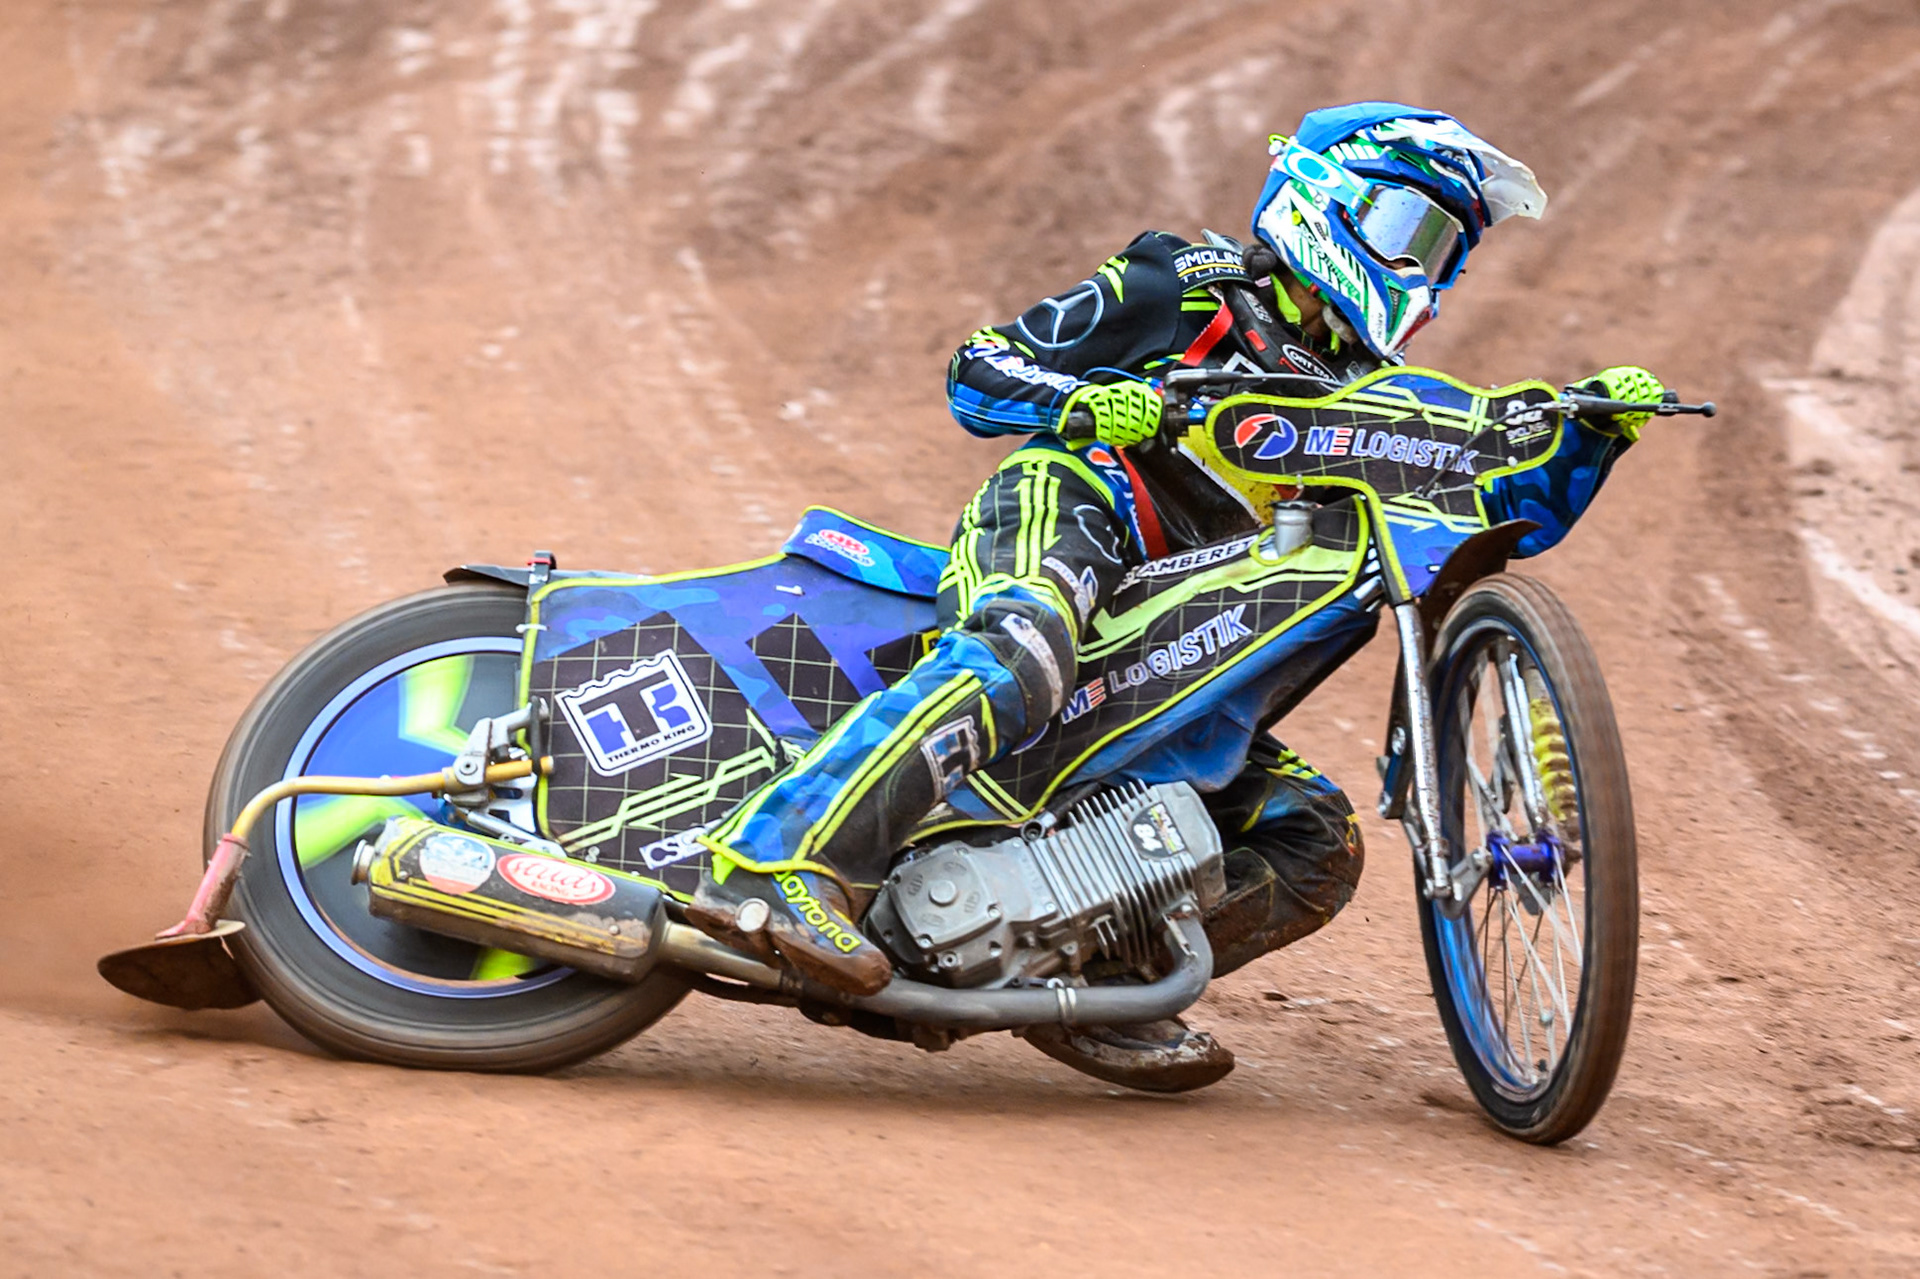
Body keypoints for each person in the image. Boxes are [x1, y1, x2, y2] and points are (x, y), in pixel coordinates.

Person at [688, 101, 1665, 1090]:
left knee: (1312, 839)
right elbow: (976, 368)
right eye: (1412, 231)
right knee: (1020, 656)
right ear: (1335, 201)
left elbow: (1501, 502)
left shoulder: (1371, 394)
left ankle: (1085, 978)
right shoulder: (1186, 287)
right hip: (1075, 508)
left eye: (1446, 247)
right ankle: (778, 862)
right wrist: (1082, 400)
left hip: (1174, 630)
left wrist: (1589, 434)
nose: (1426, 268)